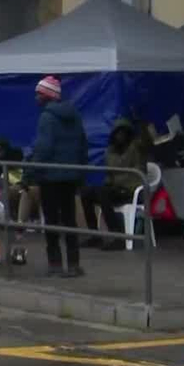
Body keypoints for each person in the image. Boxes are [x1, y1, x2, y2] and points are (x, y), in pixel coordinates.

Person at [29, 75, 88, 277]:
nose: (36, 98)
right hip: (70, 177)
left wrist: (30, 172)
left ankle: (55, 263)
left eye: (39, 94)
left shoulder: (47, 118)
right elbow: (82, 145)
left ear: (47, 96)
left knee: (52, 221)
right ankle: (73, 264)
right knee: (70, 220)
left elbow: (44, 148)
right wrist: (80, 172)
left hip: (50, 178)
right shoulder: (75, 115)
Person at [83, 117, 150, 250]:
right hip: (115, 188)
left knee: (103, 194)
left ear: (128, 133)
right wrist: (109, 182)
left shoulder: (136, 147)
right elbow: (110, 174)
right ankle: (95, 235)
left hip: (131, 190)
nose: (120, 136)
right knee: (86, 193)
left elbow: (147, 142)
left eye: (123, 132)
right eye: (118, 133)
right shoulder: (110, 151)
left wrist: (142, 123)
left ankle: (118, 236)